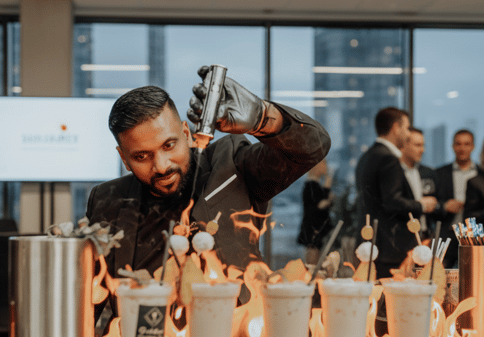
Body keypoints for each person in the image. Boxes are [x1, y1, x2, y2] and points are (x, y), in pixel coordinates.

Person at [86, 65, 330, 279]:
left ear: (186, 133)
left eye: (169, 145)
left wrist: (262, 116)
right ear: (124, 159)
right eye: (141, 156)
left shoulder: (232, 164)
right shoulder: (107, 200)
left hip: (233, 326)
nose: (161, 166)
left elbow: (312, 147)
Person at [355, 107, 436, 279]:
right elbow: (392, 201)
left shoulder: (367, 156)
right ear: (395, 128)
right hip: (389, 247)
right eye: (406, 128)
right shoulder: (388, 158)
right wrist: (422, 205)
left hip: (371, 243)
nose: (407, 134)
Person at [435, 129, 478, 267]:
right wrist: (445, 205)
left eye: (467, 144)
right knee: (440, 274)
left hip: (473, 234)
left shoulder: (482, 173)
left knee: (473, 276)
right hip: (448, 232)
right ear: (453, 146)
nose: (462, 148)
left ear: (473, 146)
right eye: (458, 144)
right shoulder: (440, 173)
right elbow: (433, 203)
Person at [400, 128, 438, 238]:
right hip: (402, 236)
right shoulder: (395, 174)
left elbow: (439, 201)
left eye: (423, 145)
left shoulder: (428, 173)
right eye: (417, 145)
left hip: (426, 234)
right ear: (404, 146)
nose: (422, 150)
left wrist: (436, 204)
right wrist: (419, 204)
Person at [297, 159, 334, 265]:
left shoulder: (314, 185)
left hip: (315, 228)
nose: (326, 167)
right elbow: (318, 205)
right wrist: (327, 187)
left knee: (315, 258)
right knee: (312, 260)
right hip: (313, 229)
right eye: (324, 164)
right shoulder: (311, 185)